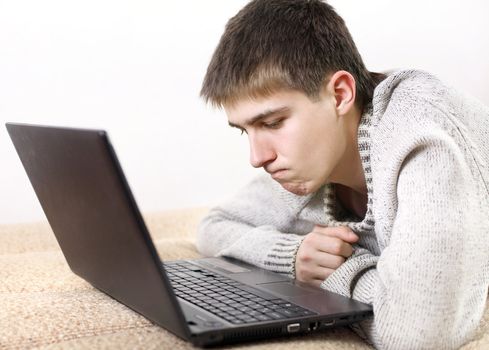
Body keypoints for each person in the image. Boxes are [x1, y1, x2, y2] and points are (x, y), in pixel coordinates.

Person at [196, 0, 489, 348]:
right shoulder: (307, 163)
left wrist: (333, 272)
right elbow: (213, 228)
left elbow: (417, 334)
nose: (258, 157)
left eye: (273, 122)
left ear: (340, 94)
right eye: (245, 130)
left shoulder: (421, 135)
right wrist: (293, 256)